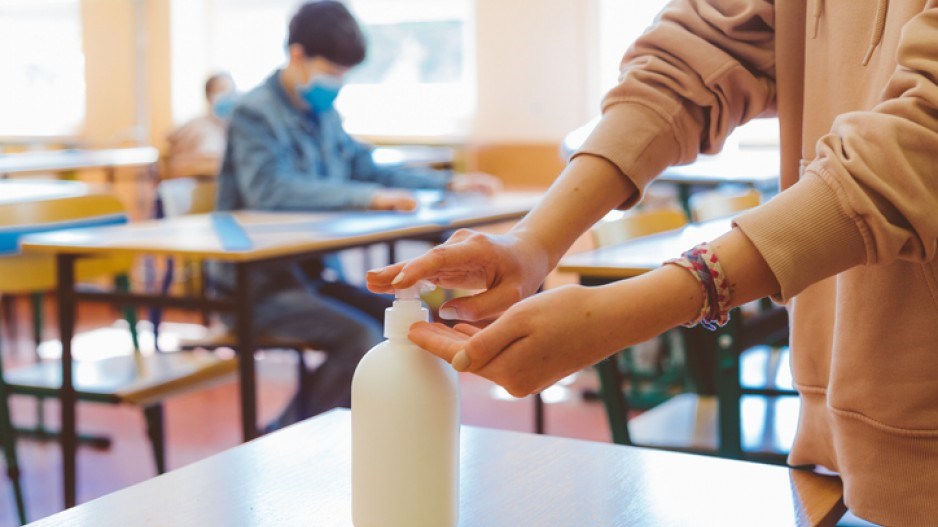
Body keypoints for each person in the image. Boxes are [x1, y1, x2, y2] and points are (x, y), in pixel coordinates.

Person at [368, 2, 938, 525]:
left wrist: (640, 307)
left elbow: (920, 139)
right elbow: (700, 52)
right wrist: (530, 245)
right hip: (839, 434)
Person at [214, 1, 500, 429]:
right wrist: (370, 198)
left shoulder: (323, 114)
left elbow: (366, 166)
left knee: (406, 322)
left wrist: (445, 183)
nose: (338, 81)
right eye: (332, 69)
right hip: (257, 286)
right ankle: (280, 440)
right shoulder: (255, 113)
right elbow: (270, 189)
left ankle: (372, 434)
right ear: (298, 55)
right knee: (361, 339)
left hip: (309, 276)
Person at [165, 72, 237, 179]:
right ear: (209, 96)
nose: (227, 96)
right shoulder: (195, 128)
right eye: (221, 90)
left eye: (231, 92)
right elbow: (177, 165)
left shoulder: (237, 128)